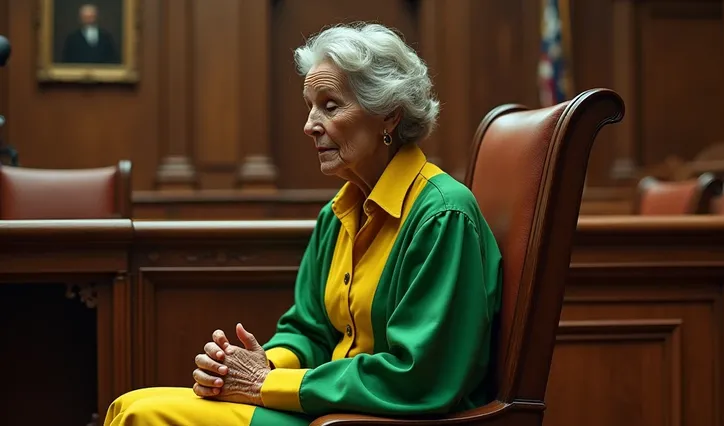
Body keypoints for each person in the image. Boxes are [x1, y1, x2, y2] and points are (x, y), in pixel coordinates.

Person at [103, 22, 502, 426]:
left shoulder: (442, 214)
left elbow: (419, 377)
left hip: (390, 419)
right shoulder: (337, 213)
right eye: (310, 106)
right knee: (128, 405)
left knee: (140, 414)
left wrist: (266, 385)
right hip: (330, 409)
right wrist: (258, 364)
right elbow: (309, 330)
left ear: (389, 116)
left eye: (329, 106)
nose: (309, 125)